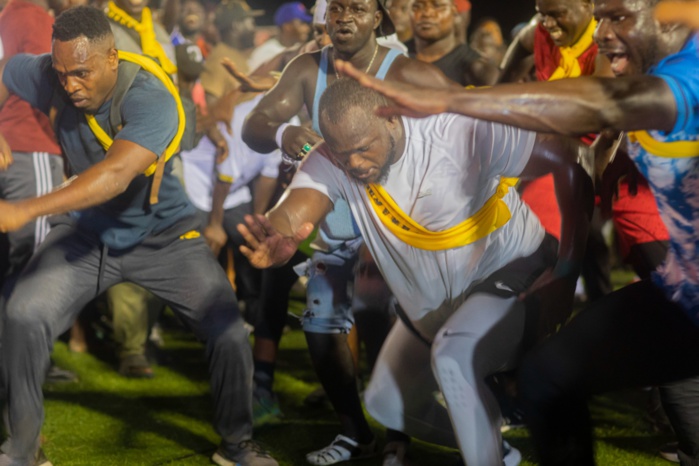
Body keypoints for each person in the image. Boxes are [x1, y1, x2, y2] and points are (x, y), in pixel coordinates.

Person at [334, 0, 699, 462]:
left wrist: (452, 100)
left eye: (619, 17)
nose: (602, 33)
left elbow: (607, 101)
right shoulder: (645, 68)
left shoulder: (690, 73)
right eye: (601, 17)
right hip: (682, 290)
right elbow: (601, 114)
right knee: (548, 376)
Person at [238, 76, 592, 466]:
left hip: (514, 270)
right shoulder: (331, 157)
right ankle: (496, 450)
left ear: (391, 120)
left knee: (455, 357)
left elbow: (571, 161)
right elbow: (294, 209)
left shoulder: (456, 129)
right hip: (434, 306)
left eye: (363, 148)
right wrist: (277, 235)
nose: (354, 164)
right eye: (342, 153)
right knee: (388, 403)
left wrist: (567, 270)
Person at [0, 6, 276, 466]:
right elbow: (7, 68)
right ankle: (22, 450)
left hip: (163, 236)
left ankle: (235, 443)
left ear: (112, 58)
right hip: (86, 235)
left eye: (82, 73)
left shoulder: (149, 97)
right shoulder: (50, 73)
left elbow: (114, 176)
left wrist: (22, 209)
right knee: (23, 314)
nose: (70, 85)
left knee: (228, 330)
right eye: (63, 73)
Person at [242, 1, 459, 464]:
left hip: (398, 226)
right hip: (335, 222)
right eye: (336, 8)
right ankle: (356, 434)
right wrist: (285, 134)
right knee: (320, 325)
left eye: (357, 8)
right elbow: (254, 124)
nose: (344, 17)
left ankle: (400, 436)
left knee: (390, 326)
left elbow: (462, 124)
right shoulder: (308, 68)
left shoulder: (405, 71)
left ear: (378, 17)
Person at [405, 0, 499, 86]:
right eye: (417, 6)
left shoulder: (477, 70)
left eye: (438, 6)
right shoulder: (398, 54)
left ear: (454, 11)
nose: (427, 13)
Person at [248, 2, 312, 71]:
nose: (307, 28)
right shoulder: (267, 52)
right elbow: (253, 77)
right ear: (287, 26)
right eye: (302, 23)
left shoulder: (301, 50)